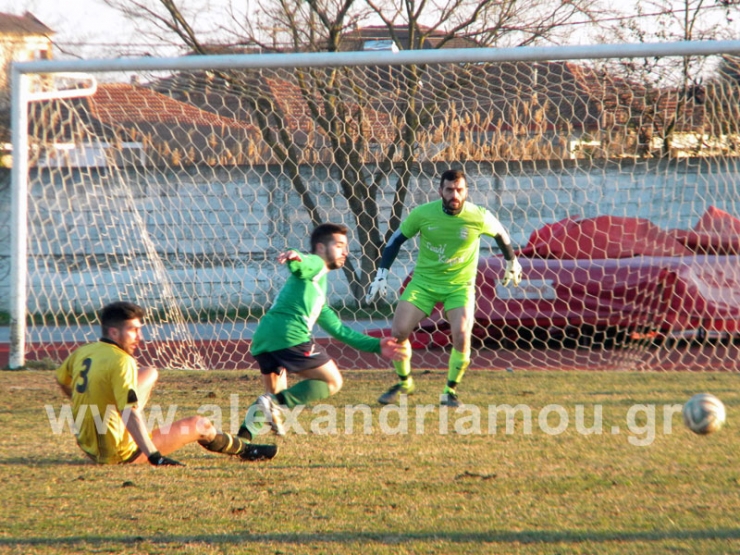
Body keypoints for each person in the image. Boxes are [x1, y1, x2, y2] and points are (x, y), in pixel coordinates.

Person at [365, 168, 523, 407]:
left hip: (459, 287)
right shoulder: (422, 214)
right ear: (441, 191)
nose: (455, 195)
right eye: (449, 190)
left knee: (461, 335)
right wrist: (382, 273)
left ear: (466, 191)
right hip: (424, 284)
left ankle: (449, 392)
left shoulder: (478, 216)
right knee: (398, 333)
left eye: (459, 190)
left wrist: (512, 261)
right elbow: (396, 240)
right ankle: (405, 382)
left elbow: (501, 235)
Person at [239, 222, 409, 439]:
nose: (345, 252)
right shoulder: (317, 265)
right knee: (332, 382)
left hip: (264, 339)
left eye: (345, 246)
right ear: (321, 248)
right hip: (288, 335)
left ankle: (243, 438)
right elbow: (305, 263)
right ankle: (272, 403)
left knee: (274, 398)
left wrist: (376, 345)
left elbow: (339, 330)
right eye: (339, 245)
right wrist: (295, 257)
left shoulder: (316, 288)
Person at [56, 301, 277, 465]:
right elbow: (129, 413)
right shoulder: (122, 361)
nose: (139, 337)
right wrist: (155, 457)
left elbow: (62, 380)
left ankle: (117, 427)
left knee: (149, 372)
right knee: (200, 425)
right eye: (133, 330)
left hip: (88, 444)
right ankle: (246, 450)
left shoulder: (83, 352)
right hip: (117, 453)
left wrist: (86, 404)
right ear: (114, 332)